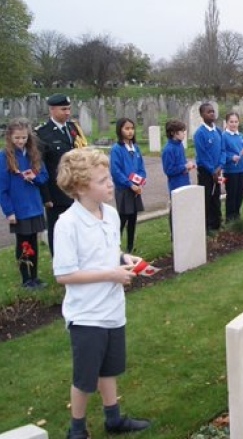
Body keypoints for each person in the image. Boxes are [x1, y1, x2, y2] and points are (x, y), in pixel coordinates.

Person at [53, 148, 151, 439]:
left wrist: (124, 258)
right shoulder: (67, 224)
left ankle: (113, 419)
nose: (110, 184)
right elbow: (64, 274)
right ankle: (77, 429)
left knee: (109, 369)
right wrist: (110, 274)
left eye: (109, 178)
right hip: (87, 315)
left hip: (112, 309)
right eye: (103, 180)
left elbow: (105, 251)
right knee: (85, 378)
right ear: (82, 187)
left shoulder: (109, 213)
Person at [35, 93, 87, 255]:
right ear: (52, 110)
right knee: (57, 229)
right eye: (63, 109)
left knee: (78, 227)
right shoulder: (43, 134)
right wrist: (46, 196)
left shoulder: (73, 128)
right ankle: (59, 262)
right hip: (56, 192)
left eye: (69, 109)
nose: (67, 112)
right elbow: (40, 166)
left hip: (77, 188)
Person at [0, 118, 49, 290]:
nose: (21, 141)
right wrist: (9, 212)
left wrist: (34, 177)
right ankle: (25, 279)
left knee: (33, 242)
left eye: (23, 138)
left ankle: (35, 276)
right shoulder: (4, 157)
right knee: (23, 243)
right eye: (17, 138)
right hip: (19, 209)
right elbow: (2, 189)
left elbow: (44, 177)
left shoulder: (33, 154)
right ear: (10, 138)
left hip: (34, 206)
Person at [109, 118, 146, 253]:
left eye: (132, 128)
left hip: (135, 189)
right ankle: (115, 247)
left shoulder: (135, 148)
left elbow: (141, 167)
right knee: (122, 219)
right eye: (127, 129)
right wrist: (129, 184)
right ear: (120, 130)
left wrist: (140, 182)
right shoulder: (117, 149)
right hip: (124, 189)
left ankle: (130, 247)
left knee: (133, 219)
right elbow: (116, 170)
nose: (130, 131)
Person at [161, 119, 195, 233]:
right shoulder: (168, 149)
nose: (184, 134)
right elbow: (169, 170)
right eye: (181, 132)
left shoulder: (179, 145)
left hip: (184, 180)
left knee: (185, 209)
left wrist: (187, 167)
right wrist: (184, 167)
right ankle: (175, 235)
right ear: (173, 133)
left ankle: (184, 231)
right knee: (176, 210)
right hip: (176, 184)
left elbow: (181, 163)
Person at [194, 103, 223, 233]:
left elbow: (223, 150)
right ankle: (205, 226)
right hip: (206, 171)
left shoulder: (218, 131)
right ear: (202, 115)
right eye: (208, 112)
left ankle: (216, 223)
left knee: (216, 196)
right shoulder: (200, 133)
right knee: (206, 198)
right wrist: (212, 170)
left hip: (218, 170)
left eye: (213, 111)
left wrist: (220, 167)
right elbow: (203, 155)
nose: (211, 114)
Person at [221, 112, 243, 222]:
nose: (233, 124)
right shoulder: (224, 136)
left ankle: (237, 215)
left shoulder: (241, 136)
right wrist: (231, 157)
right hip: (230, 170)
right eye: (231, 122)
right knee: (231, 194)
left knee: (239, 193)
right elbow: (222, 152)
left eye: (236, 121)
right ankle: (229, 217)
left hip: (241, 169)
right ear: (227, 123)